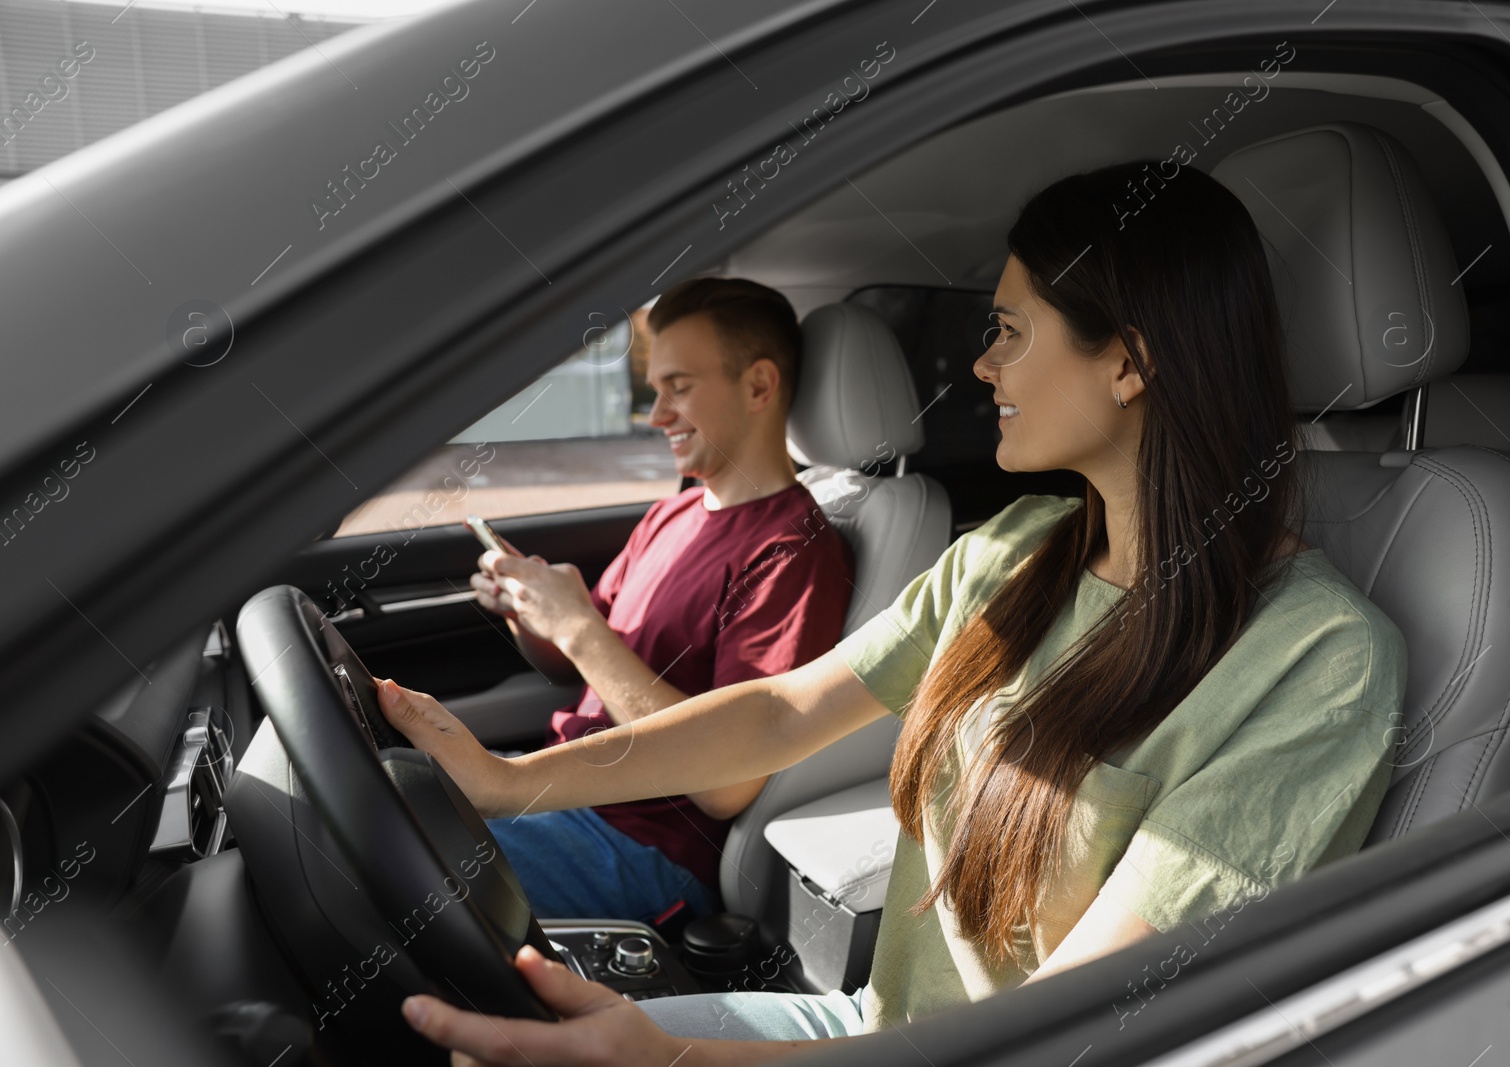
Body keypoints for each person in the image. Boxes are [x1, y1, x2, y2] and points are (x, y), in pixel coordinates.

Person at [374, 160, 1407, 1065]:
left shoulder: (1318, 660)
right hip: (872, 1026)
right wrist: (508, 784)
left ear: (1130, 362)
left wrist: (676, 1058)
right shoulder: (1016, 550)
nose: (979, 367)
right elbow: (781, 712)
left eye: (1006, 331)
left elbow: (1074, 1023)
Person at [468, 276, 854, 926]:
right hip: (562, 790)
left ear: (759, 386)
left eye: (680, 387)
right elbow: (583, 663)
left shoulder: (792, 549)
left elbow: (726, 781)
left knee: (371, 840)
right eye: (657, 389)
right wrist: (531, 611)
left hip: (640, 846)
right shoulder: (670, 514)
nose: (656, 415)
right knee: (387, 785)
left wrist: (578, 624)